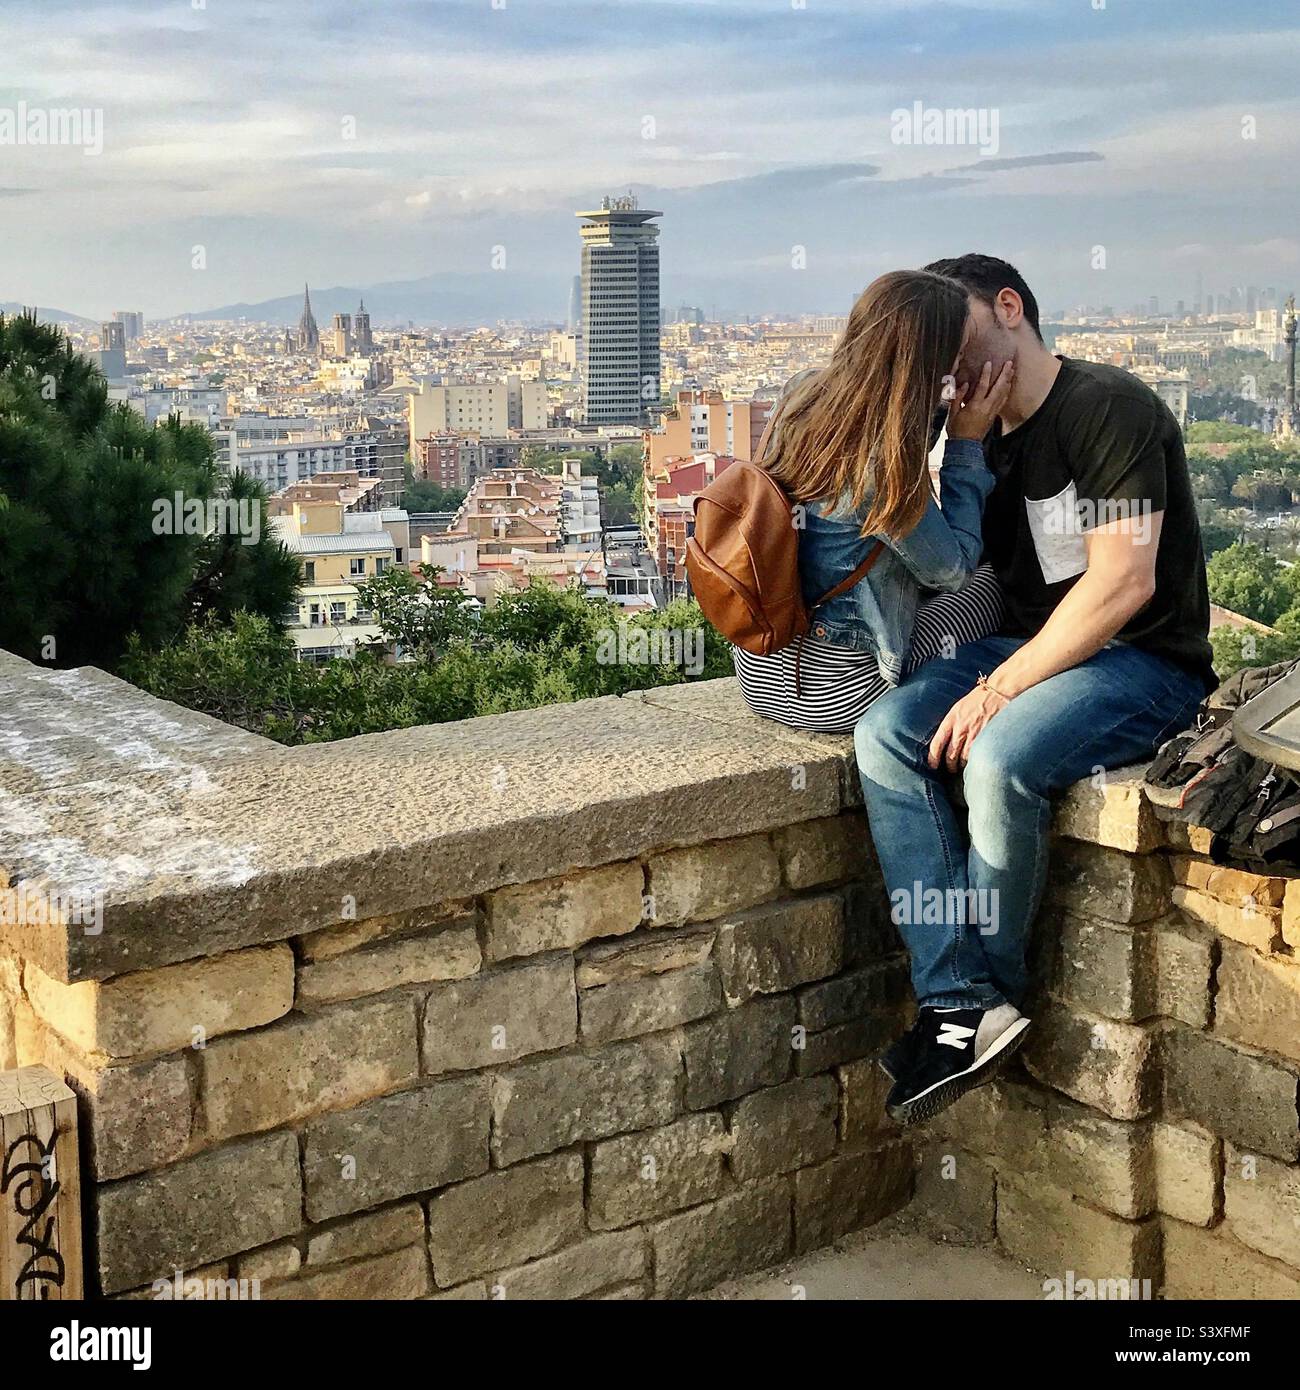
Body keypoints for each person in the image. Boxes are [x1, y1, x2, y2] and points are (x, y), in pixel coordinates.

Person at [855, 254, 1213, 1126]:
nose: (945, 355)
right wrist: (961, 443)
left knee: (1000, 757)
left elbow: (1122, 582)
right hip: (1026, 649)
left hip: (1142, 662)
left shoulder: (1105, 407)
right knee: (885, 738)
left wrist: (998, 690)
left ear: (1009, 308)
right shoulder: (977, 436)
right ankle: (957, 1001)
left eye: (959, 328)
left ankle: (993, 1001)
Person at [733, 268, 1013, 734]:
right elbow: (951, 570)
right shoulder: (880, 467)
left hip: (760, 668)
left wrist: (937, 405)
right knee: (992, 583)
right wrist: (966, 443)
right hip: (837, 690)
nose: (962, 361)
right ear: (931, 361)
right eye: (957, 351)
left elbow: (890, 424)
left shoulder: (800, 394)